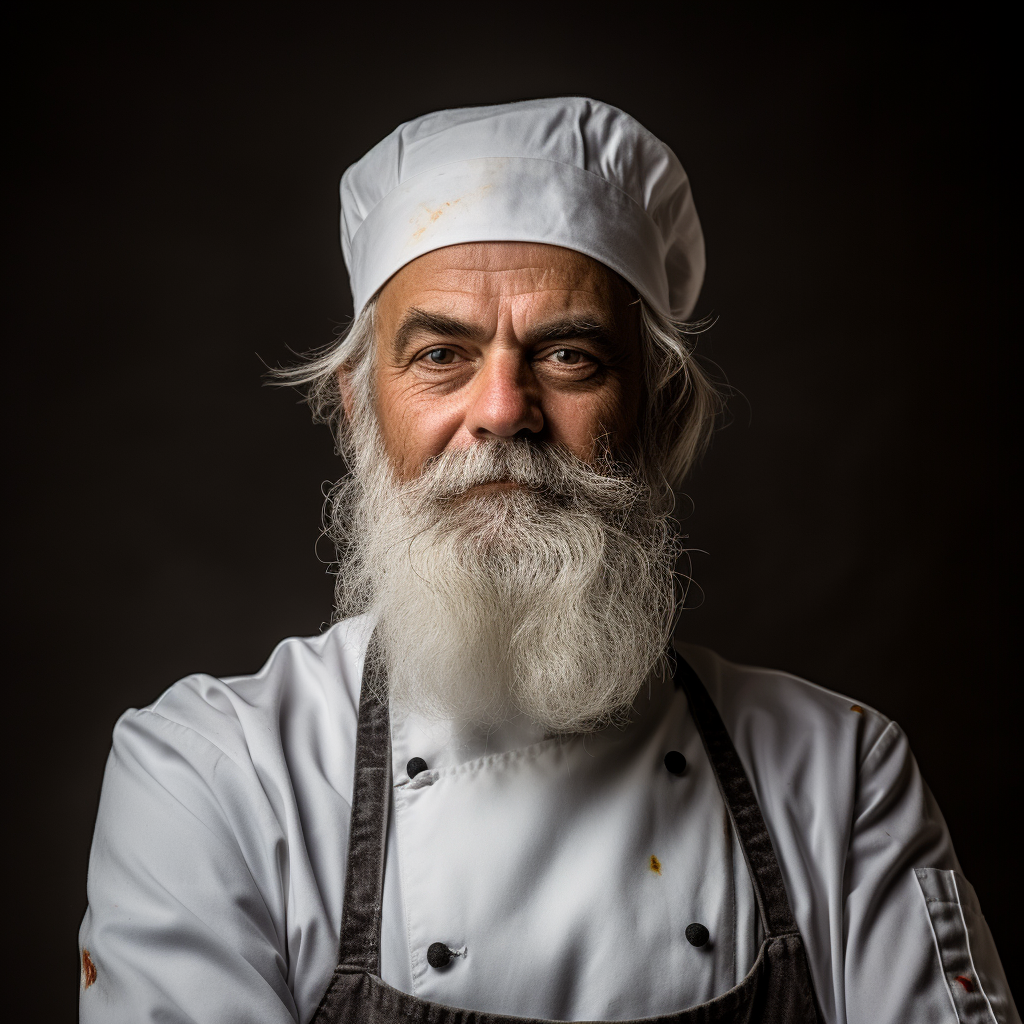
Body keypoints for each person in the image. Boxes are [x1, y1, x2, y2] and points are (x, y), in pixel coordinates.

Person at [78, 98, 1017, 1024]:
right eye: (442, 353)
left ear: (661, 414)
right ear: (358, 409)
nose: (503, 408)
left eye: (569, 356)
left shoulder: (842, 775)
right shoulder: (211, 775)